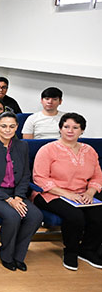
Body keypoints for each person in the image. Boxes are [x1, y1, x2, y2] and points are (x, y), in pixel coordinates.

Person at [0, 112, 43, 271]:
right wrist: (9, 200)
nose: (7, 130)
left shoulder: (22, 146)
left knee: (36, 216)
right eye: (3, 126)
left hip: (14, 193)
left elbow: (25, 175)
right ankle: (6, 254)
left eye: (12, 126)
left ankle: (19, 255)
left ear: (17, 127)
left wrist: (18, 196)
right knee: (13, 215)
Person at [32, 113, 102, 270]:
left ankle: (87, 250)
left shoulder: (89, 151)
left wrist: (90, 192)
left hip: (81, 193)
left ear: (82, 131)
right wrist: (67, 194)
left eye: (75, 127)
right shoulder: (48, 150)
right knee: (75, 216)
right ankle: (71, 251)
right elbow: (40, 178)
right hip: (50, 193)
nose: (70, 131)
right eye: (66, 127)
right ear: (60, 129)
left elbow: (97, 176)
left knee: (98, 215)